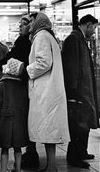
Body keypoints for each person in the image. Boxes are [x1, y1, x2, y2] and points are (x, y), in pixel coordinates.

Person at [26, 12, 70, 172]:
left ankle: (51, 166)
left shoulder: (41, 37)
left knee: (47, 129)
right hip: (51, 90)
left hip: (46, 91)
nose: (30, 25)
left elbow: (44, 62)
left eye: (32, 21)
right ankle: (51, 165)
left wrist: (26, 68)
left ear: (38, 22)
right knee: (49, 131)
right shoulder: (48, 36)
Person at [0, 14, 39, 169]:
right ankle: (29, 152)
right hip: (21, 84)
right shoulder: (23, 41)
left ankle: (30, 153)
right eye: (20, 24)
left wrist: (7, 64)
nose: (21, 27)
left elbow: (14, 60)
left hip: (23, 85)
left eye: (24, 24)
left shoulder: (28, 42)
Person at [61, 14, 99, 169]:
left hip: (83, 91)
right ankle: (74, 156)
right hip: (78, 93)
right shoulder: (73, 39)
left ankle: (82, 151)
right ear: (88, 24)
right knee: (77, 126)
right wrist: (73, 93)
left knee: (84, 124)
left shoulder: (80, 39)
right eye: (94, 28)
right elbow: (70, 67)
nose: (94, 32)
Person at [0, 58, 29, 172]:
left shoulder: (1, 85)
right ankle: (18, 169)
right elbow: (25, 103)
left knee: (5, 148)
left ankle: (3, 170)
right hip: (19, 120)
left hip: (5, 121)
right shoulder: (21, 85)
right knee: (18, 148)